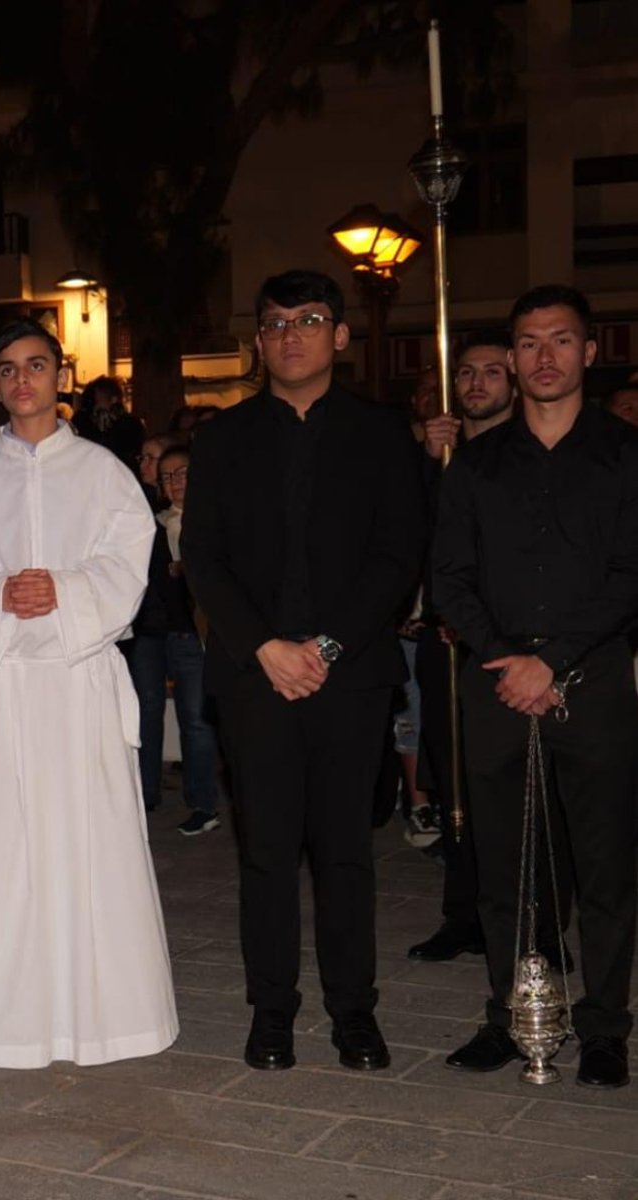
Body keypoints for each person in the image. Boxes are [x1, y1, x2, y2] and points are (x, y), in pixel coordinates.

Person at [180, 270, 426, 1074]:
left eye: (310, 320)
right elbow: (204, 559)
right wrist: (266, 648)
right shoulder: (220, 438)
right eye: (276, 322)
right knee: (265, 853)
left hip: (347, 675)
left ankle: (353, 1012)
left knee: (345, 851)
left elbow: (397, 555)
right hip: (254, 675)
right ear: (258, 340)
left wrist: (322, 649)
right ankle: (271, 1011)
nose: (291, 335)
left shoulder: (383, 434)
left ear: (340, 336)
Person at [0, 320, 177, 1068]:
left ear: (58, 375)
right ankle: (8, 1016)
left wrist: (66, 590)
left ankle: (107, 1014)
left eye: (34, 366)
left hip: (78, 682)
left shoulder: (104, 473)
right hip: (3, 683)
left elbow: (128, 564)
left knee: (90, 844)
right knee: (4, 846)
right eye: (6, 370)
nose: (20, 381)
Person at [432, 286, 638, 1090]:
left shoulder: (625, 456)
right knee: (503, 868)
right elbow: (447, 578)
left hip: (592, 686)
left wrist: (551, 661)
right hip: (495, 685)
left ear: (589, 352)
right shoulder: (475, 466)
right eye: (527, 342)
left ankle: (603, 1027)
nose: (543, 356)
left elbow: (630, 575)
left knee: (604, 865)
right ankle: (508, 1015)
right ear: (512, 360)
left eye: (560, 340)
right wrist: (506, 660)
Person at [409, 332, 532, 964]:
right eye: (465, 374)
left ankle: (524, 917)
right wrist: (430, 465)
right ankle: (462, 913)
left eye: (490, 371)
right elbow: (418, 546)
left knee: (514, 784)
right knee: (453, 780)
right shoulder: (442, 462)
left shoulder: (532, 452)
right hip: (446, 641)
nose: (477, 384)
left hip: (513, 645)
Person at [130, 443, 222, 834]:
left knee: (196, 720)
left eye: (181, 473)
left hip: (191, 632)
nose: (175, 482)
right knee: (145, 715)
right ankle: (144, 796)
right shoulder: (147, 522)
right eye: (168, 476)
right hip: (151, 632)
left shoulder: (217, 520)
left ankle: (203, 803)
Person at [70, 376, 146, 473]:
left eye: (98, 398)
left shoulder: (130, 425)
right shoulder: (83, 421)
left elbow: (130, 457)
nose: (95, 403)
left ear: (113, 399)